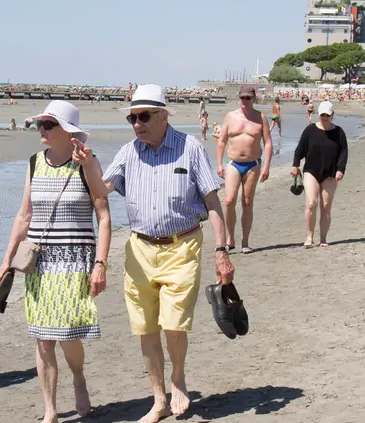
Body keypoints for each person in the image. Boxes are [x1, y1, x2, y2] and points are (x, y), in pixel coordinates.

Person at [71, 84, 234, 423]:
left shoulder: (190, 148)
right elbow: (101, 189)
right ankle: (158, 398)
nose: (137, 123)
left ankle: (178, 379)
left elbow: (213, 204)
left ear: (163, 116)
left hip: (183, 245)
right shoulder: (129, 152)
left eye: (144, 116)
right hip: (140, 249)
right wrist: (88, 164)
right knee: (145, 328)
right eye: (133, 117)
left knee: (174, 325)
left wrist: (222, 251)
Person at [0, 101, 110, 423]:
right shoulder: (33, 163)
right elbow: (24, 215)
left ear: (67, 131)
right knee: (43, 337)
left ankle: (78, 377)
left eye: (48, 124)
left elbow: (103, 217)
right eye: (40, 124)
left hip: (75, 260)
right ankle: (50, 410)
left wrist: (100, 264)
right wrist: (6, 259)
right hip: (40, 263)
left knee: (67, 333)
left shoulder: (89, 164)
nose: (41, 130)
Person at [216, 85, 272, 253]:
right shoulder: (230, 117)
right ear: (238, 98)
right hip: (233, 163)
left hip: (252, 164)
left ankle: (245, 241)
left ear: (254, 99)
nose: (245, 101)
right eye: (242, 98)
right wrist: (219, 163)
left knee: (247, 202)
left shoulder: (260, 117)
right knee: (228, 200)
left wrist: (267, 166)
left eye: (248, 98)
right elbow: (222, 141)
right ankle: (230, 237)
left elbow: (268, 142)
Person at [291, 101, 348, 248]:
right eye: (322, 114)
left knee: (326, 206)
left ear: (332, 115)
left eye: (327, 115)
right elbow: (300, 149)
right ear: (319, 114)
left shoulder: (339, 132)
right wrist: (295, 165)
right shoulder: (310, 130)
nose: (324, 117)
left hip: (330, 173)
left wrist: (340, 169)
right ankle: (309, 237)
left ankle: (323, 238)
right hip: (311, 171)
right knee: (311, 203)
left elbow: (343, 152)